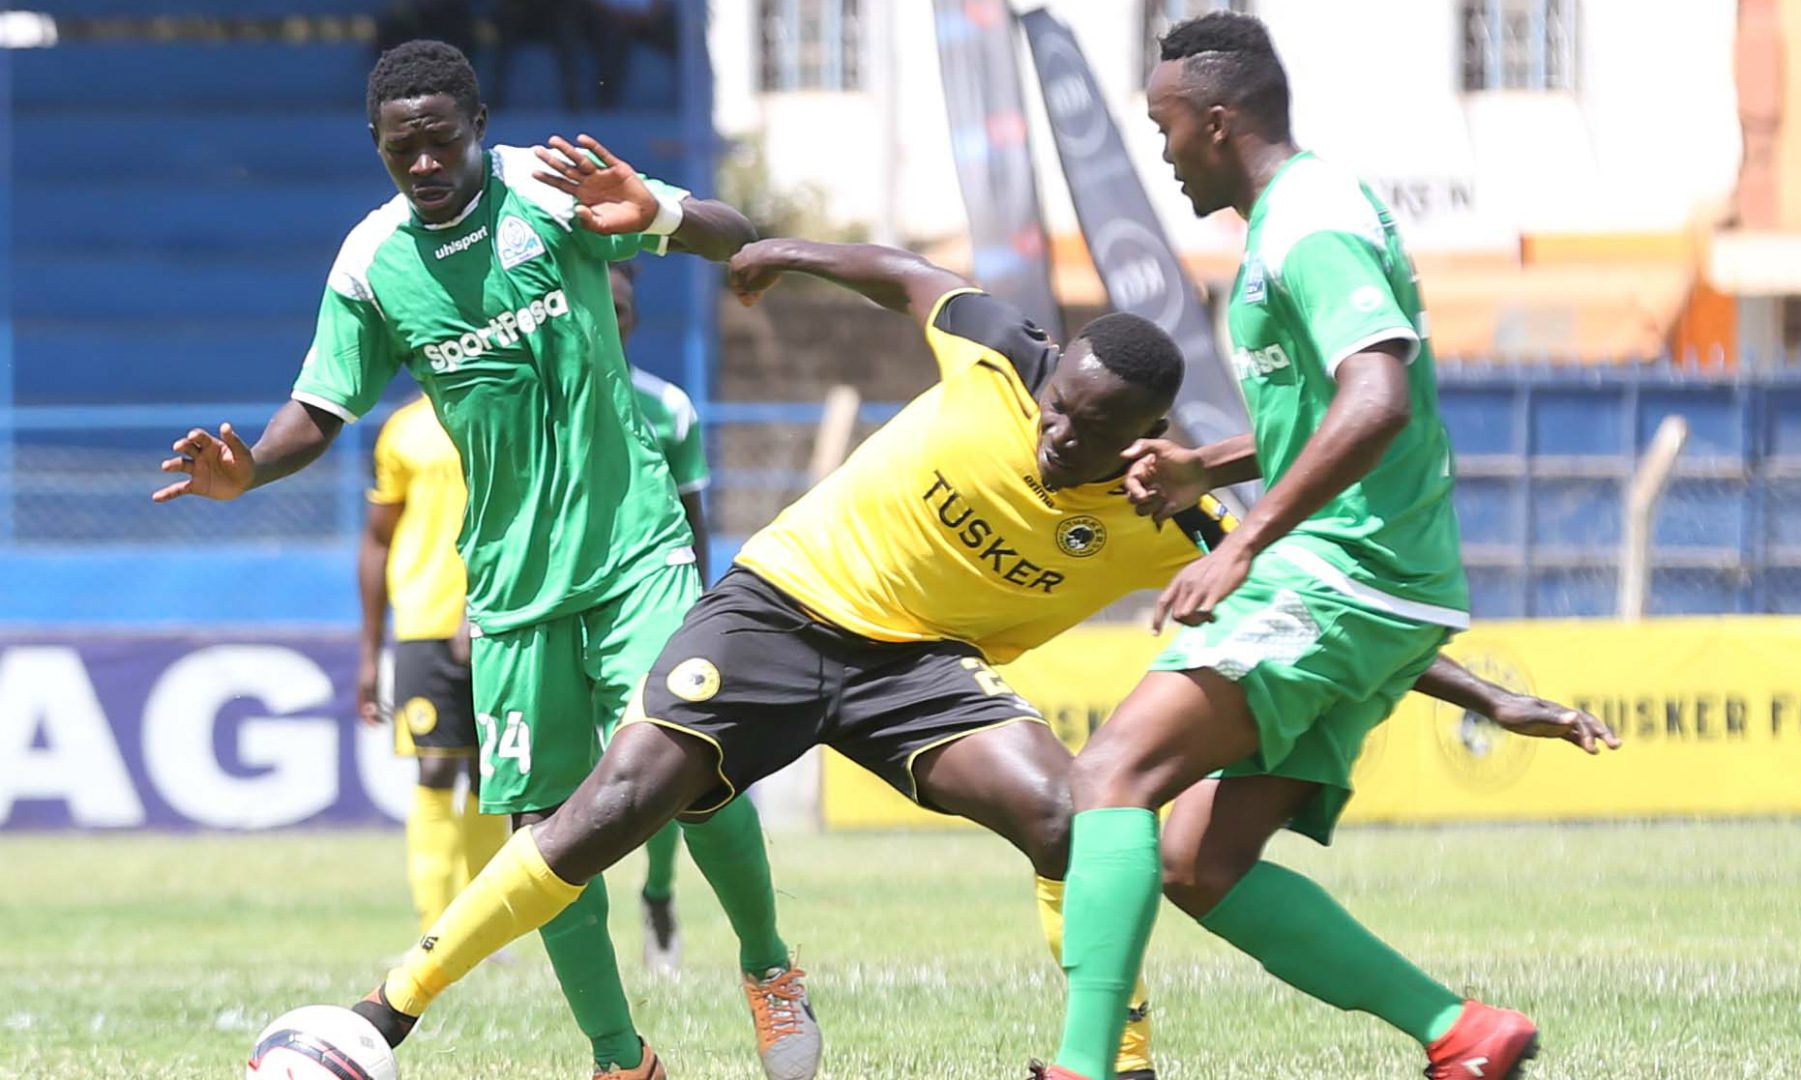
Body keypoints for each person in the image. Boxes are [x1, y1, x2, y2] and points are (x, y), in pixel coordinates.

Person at [345, 236, 1616, 1080]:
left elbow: (1301, 608)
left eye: (1091, 431)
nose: (1058, 436)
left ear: (1148, 436)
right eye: (1058, 409)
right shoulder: (1003, 350)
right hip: (782, 605)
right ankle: (384, 1013)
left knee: (1075, 816)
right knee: (619, 800)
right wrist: (774, 251)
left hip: (917, 668)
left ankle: (1113, 1058)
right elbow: (907, 276)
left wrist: (1488, 693)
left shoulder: (1169, 507)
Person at [151, 40, 818, 1080]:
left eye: (441, 141)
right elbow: (318, 407)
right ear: (377, 145)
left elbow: (738, 240)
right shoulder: (371, 264)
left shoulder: (550, 189)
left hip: (634, 548)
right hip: (509, 588)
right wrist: (253, 470)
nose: (423, 164)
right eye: (400, 149)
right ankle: (619, 1058)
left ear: (478, 125)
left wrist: (657, 210)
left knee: (694, 762)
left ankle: (769, 968)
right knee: (543, 830)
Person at [1036, 14, 1617, 1080]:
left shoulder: (1311, 225)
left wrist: (1243, 544)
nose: (1163, 152)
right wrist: (1205, 467)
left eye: (1166, 128)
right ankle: (1461, 1032)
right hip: (1382, 589)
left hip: (1341, 572)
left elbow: (1379, 401)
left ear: (1218, 122)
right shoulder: (1292, 222)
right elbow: (1331, 413)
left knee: (1111, 774)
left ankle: (1084, 1068)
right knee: (1198, 862)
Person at [358, 393, 509, 933]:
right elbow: (379, 538)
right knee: (436, 767)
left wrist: (478, 605)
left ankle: (484, 933)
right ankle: (434, 931)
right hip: (423, 620)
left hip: (504, 618)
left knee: (493, 776)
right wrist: (370, 652)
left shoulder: (509, 411)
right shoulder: (404, 429)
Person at [610, 258, 711, 973]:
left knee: (665, 763)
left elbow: (693, 514)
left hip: (651, 600)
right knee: (558, 784)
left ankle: (658, 893)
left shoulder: (668, 407)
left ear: (634, 319)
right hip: (557, 605)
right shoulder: (536, 396)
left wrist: (701, 609)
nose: (605, 318)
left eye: (618, 309)